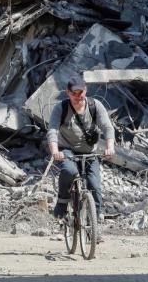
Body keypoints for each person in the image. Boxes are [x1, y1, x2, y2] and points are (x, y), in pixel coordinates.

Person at [47, 80, 115, 221]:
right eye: (74, 93)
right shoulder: (61, 108)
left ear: (86, 90)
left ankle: (95, 222)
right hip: (67, 150)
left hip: (90, 152)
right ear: (68, 93)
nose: (78, 97)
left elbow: (107, 127)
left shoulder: (95, 106)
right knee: (69, 171)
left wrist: (110, 147)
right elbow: (52, 130)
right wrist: (55, 151)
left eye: (81, 93)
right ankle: (63, 202)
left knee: (94, 184)